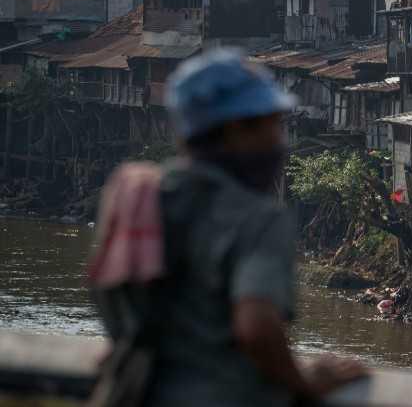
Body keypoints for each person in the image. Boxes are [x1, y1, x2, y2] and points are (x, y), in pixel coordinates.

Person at [89, 50, 366, 407]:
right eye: (272, 125)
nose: (280, 141)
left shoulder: (138, 197)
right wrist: (306, 384)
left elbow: (113, 302)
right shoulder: (259, 219)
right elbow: (257, 329)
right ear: (237, 129)